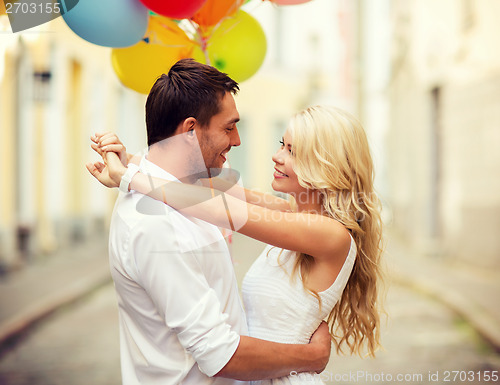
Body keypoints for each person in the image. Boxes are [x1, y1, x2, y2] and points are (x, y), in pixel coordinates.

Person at [88, 102, 384, 383]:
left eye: (293, 151)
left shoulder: (330, 235)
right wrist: (129, 161)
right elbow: (207, 187)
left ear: (325, 164)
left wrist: (129, 177)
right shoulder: (292, 213)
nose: (277, 156)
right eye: (282, 144)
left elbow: (220, 209)